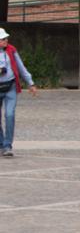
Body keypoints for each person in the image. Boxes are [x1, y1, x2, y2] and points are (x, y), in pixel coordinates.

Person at [0, 28, 38, 157]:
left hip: (10, 86)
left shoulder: (11, 50)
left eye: (6, 38)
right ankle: (1, 144)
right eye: (3, 39)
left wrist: (30, 83)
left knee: (9, 115)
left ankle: (7, 146)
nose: (6, 40)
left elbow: (21, 67)